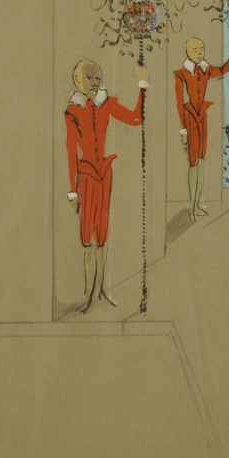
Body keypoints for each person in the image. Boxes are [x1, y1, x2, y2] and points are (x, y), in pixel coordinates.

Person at [64, 59, 149, 312]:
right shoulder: (72, 112)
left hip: (104, 173)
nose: (94, 82)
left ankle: (101, 288)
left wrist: (142, 86)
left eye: (97, 78)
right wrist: (72, 192)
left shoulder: (107, 103)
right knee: (86, 233)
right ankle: (88, 291)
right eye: (89, 78)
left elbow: (136, 118)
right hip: (85, 175)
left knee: (102, 230)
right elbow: (71, 153)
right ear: (77, 81)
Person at [174, 35, 229, 220]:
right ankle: (192, 205)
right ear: (187, 52)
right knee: (193, 162)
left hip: (201, 118)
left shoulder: (205, 69)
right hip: (189, 119)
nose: (199, 53)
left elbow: (221, 70)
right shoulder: (180, 74)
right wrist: (183, 130)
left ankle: (197, 203)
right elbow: (179, 103)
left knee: (202, 160)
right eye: (195, 50)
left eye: (202, 49)